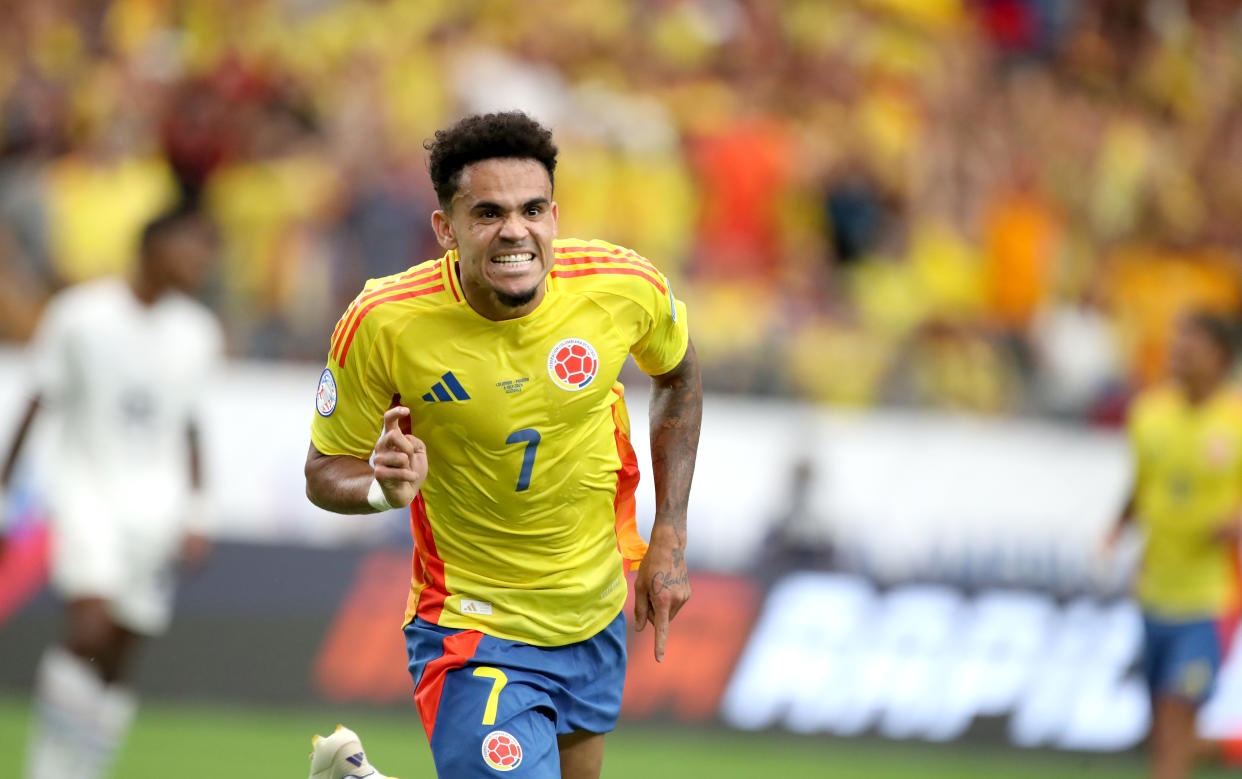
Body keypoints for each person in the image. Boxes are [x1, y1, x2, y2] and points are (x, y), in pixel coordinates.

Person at [304, 111, 701, 779]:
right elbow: (322, 470)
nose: (515, 230)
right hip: (471, 624)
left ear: (554, 214)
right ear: (446, 229)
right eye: (487, 212)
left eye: (532, 208)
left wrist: (671, 530)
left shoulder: (621, 286)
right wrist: (382, 488)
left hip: (592, 613)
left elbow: (680, 372)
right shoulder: (383, 322)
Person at [0, 206, 223, 779]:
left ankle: (88, 767)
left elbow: (193, 426)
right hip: (86, 491)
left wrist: (197, 510)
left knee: (121, 648)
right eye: (192, 249)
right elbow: (37, 402)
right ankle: (49, 768)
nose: (201, 263)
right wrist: (4, 497)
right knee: (90, 626)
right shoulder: (80, 315)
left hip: (157, 505)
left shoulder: (198, 332)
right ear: (154, 248)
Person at [1104, 311, 1242, 779]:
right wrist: (1115, 528)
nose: (1179, 353)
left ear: (1221, 357)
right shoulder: (1148, 414)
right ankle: (1227, 750)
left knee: (1174, 717)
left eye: (1192, 345)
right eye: (1178, 343)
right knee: (1165, 734)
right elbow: (1141, 486)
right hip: (1154, 592)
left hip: (1209, 599)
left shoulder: (1237, 419)